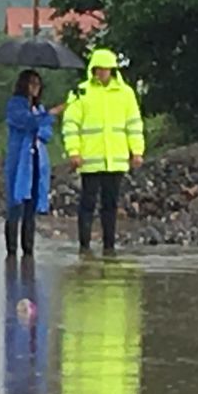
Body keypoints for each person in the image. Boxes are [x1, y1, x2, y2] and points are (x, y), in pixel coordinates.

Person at [62, 49, 144, 252]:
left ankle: (109, 246)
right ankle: (85, 245)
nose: (103, 73)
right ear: (94, 69)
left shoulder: (125, 94)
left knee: (110, 204)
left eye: (107, 69)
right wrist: (74, 151)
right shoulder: (81, 92)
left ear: (113, 70)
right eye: (99, 69)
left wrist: (137, 151)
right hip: (89, 160)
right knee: (87, 203)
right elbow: (70, 124)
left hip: (115, 160)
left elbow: (134, 124)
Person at [3, 69, 63, 257]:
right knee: (15, 202)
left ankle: (28, 248)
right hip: (19, 160)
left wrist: (42, 121)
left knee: (32, 203)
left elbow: (45, 132)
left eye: (38, 84)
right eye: (32, 84)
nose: (35, 88)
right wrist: (46, 117)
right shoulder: (15, 105)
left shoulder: (38, 108)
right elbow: (26, 123)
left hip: (37, 160)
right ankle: (11, 249)